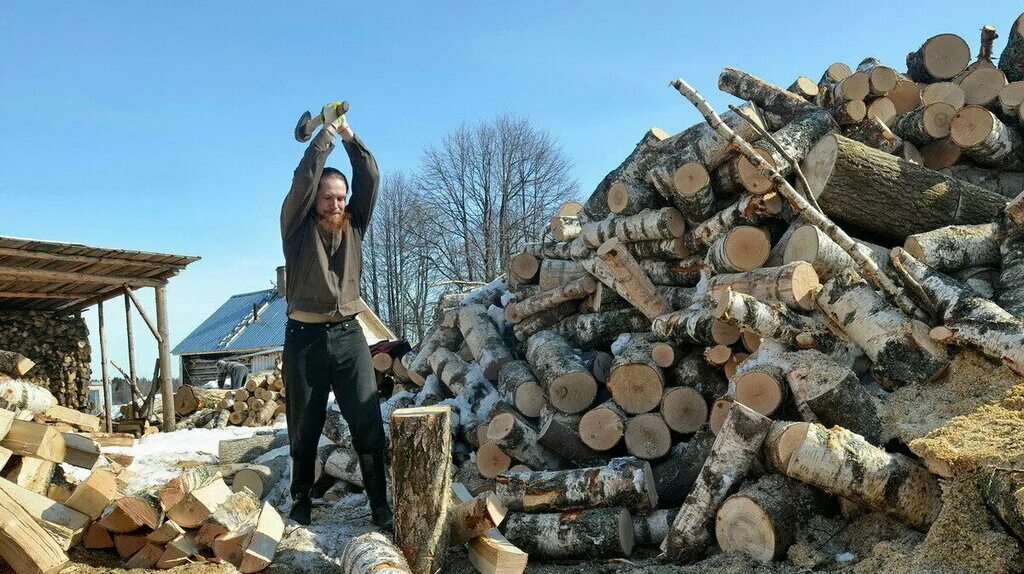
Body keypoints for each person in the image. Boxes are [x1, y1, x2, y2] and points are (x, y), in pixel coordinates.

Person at [279, 102, 390, 529]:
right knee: (303, 428)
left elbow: (371, 177)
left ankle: (380, 504)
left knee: (366, 422)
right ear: (315, 201)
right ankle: (302, 500)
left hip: (348, 338)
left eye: (340, 197)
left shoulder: (354, 224)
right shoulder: (296, 226)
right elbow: (304, 177)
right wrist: (323, 134)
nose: (336, 203)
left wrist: (347, 135)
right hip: (303, 340)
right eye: (328, 197)